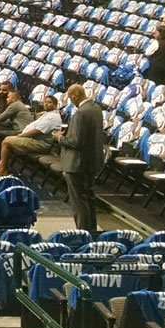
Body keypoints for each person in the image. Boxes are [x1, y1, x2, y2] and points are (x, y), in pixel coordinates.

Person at [55, 84, 104, 231]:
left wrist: (59, 138)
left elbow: (75, 141)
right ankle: (91, 231)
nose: (70, 101)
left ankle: (82, 232)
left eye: (71, 97)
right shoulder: (96, 108)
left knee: (79, 202)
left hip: (77, 163)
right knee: (89, 198)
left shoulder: (81, 113)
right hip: (91, 161)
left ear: (76, 95)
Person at [0, 94, 65, 175]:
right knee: (7, 140)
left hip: (41, 143)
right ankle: (1, 165)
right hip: (35, 140)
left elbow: (37, 131)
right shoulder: (48, 114)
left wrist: (22, 136)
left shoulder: (52, 117)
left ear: (55, 105)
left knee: (6, 142)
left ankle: (3, 170)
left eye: (49, 102)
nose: (46, 104)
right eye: (45, 102)